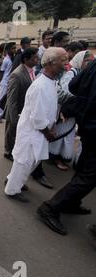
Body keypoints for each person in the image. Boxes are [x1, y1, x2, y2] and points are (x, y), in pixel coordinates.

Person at [36, 58, 96, 235]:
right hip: (93, 126)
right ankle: (51, 207)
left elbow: (74, 86)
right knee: (89, 175)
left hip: (87, 124)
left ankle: (70, 202)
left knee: (85, 168)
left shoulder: (93, 64)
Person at [4, 47, 68, 203]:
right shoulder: (40, 86)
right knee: (24, 161)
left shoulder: (50, 82)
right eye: (63, 60)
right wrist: (48, 132)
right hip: (33, 131)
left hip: (39, 132)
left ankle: (14, 181)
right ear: (51, 63)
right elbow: (38, 117)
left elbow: (49, 106)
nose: (66, 64)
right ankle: (12, 190)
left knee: (29, 162)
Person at [49, 50, 95, 171]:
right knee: (61, 134)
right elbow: (64, 94)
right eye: (87, 61)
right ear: (81, 60)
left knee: (68, 136)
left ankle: (61, 157)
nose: (89, 64)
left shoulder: (85, 73)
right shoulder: (72, 73)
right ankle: (55, 157)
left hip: (75, 112)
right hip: (67, 112)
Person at [4, 48, 39, 161]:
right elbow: (12, 98)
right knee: (12, 131)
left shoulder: (32, 70)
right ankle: (9, 151)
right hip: (16, 108)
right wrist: (14, 117)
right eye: (34, 58)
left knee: (19, 133)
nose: (37, 59)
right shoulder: (17, 74)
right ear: (26, 59)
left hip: (26, 108)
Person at [0, 42, 17, 123]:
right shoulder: (6, 60)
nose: (14, 50)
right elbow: (1, 72)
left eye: (15, 48)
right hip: (4, 82)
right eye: (13, 48)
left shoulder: (13, 59)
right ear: (8, 50)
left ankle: (3, 114)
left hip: (10, 82)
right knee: (1, 99)